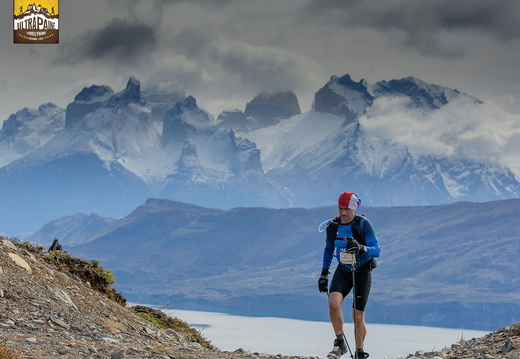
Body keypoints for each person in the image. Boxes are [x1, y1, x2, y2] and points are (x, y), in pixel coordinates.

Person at [318, 191, 380, 359]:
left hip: (362, 270)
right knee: (333, 303)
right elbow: (329, 249)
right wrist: (324, 273)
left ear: (354, 208)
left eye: (347, 209)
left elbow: (377, 250)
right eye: (340, 208)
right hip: (344, 270)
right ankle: (340, 343)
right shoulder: (333, 226)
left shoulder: (363, 225)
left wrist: (361, 248)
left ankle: (359, 352)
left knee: (357, 314)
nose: (343, 213)